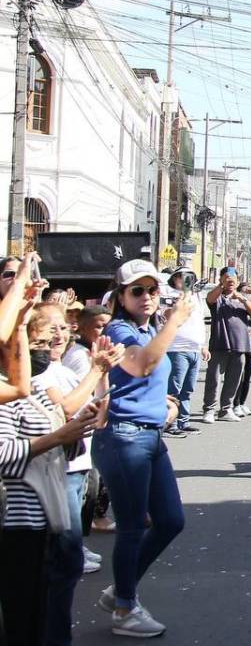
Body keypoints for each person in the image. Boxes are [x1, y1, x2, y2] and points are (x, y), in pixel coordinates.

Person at [93, 258, 191, 638]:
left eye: (153, 289)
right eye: (137, 290)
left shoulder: (145, 329)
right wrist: (174, 322)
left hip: (149, 435)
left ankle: (122, 588)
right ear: (121, 295)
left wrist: (166, 402)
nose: (147, 297)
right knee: (133, 526)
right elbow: (143, 365)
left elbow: (143, 379)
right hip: (124, 437)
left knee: (170, 520)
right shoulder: (119, 329)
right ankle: (124, 608)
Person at [0, 313, 101, 646]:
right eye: (35, 345)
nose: (43, 352)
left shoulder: (36, 391)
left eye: (45, 345)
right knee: (21, 615)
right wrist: (59, 437)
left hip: (46, 519)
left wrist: (78, 427)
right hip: (16, 524)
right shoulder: (6, 396)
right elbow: (4, 455)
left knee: (43, 605)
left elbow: (62, 450)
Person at [27, 302, 124, 644]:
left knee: (67, 563)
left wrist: (105, 372)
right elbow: (66, 408)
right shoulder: (40, 371)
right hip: (57, 474)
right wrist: (97, 371)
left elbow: (96, 413)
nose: (58, 334)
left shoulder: (65, 366)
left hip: (77, 468)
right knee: (62, 563)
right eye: (47, 328)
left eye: (61, 327)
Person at [203, 267, 251, 423]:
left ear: (238, 281)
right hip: (219, 344)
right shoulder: (217, 298)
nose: (230, 281)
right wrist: (221, 285)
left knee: (234, 380)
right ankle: (209, 409)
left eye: (233, 279)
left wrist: (242, 299)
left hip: (240, 346)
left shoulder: (242, 299)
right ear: (221, 279)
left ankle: (226, 409)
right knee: (213, 379)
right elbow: (210, 299)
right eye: (226, 278)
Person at [161, 267, 209, 438]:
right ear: (175, 279)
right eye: (183, 277)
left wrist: (203, 345)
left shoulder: (196, 296)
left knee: (187, 389)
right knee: (174, 388)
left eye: (190, 277)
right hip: (176, 348)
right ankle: (169, 422)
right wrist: (177, 303)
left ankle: (184, 421)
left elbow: (200, 322)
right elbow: (164, 315)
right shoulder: (169, 294)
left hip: (194, 349)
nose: (187, 280)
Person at [232, 280, 251, 417]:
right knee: (239, 377)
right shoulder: (236, 306)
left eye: (250, 292)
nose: (248, 294)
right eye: (245, 291)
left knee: (247, 376)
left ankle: (242, 403)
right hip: (239, 345)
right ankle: (235, 404)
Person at [62, 305, 110, 378]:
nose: (106, 331)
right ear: (83, 328)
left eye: (109, 327)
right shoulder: (80, 356)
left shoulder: (94, 353)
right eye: (100, 327)